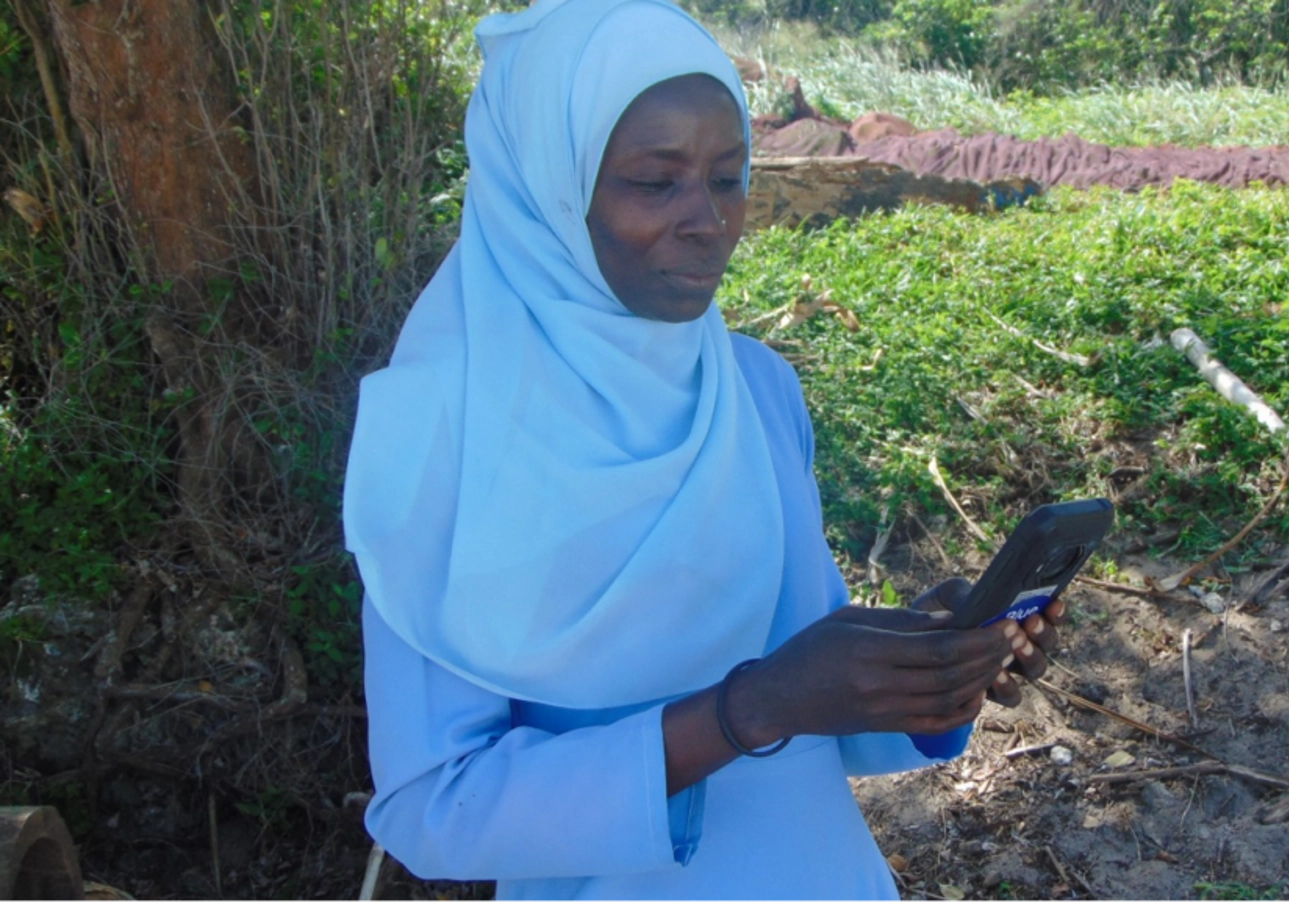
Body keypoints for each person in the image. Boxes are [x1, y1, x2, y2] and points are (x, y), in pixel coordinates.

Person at [341, 1, 1068, 897]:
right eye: (656, 182)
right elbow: (438, 808)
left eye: (728, 178)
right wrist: (747, 709)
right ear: (551, 190)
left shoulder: (754, 389)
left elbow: (813, 700)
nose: (708, 220)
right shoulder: (440, 438)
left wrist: (928, 662)